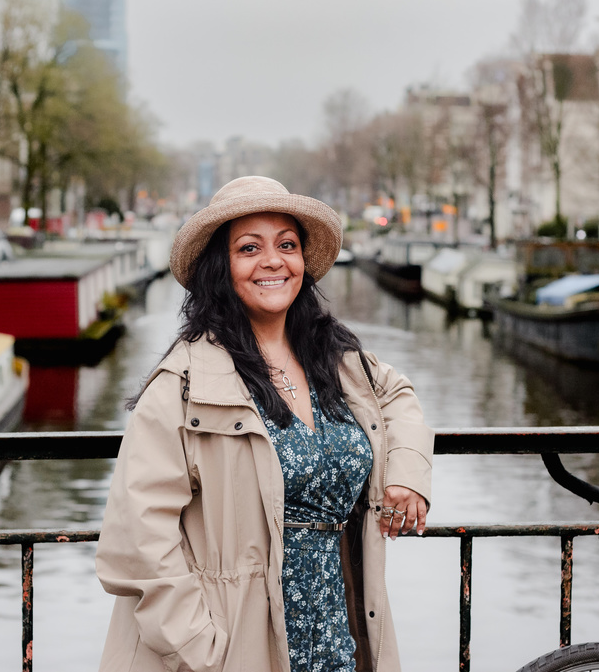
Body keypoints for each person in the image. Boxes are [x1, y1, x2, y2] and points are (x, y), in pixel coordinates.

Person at [96, 176, 434, 672]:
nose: (273, 261)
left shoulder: (336, 360)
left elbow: (399, 396)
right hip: (235, 643)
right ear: (220, 267)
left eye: (287, 245)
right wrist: (203, 650)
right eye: (249, 248)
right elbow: (137, 537)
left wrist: (406, 474)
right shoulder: (183, 383)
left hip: (336, 633)